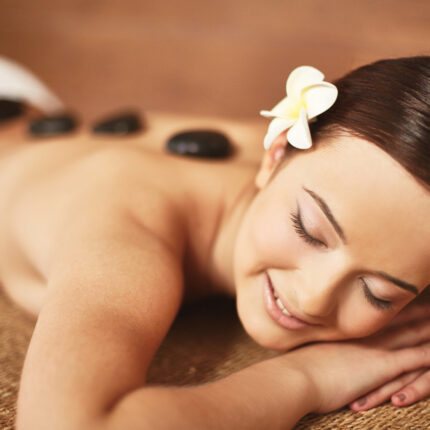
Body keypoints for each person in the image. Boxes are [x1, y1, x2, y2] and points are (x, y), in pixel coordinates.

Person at [0, 55, 428, 429]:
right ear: (275, 153)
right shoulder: (128, 230)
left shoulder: (329, 158)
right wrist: (309, 378)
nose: (315, 299)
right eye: (309, 231)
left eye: (379, 294)